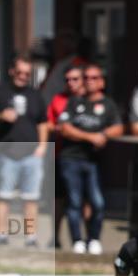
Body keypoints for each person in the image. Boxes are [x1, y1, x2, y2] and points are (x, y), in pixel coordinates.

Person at [58, 64, 124, 254]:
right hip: (71, 158)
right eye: (86, 78)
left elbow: (118, 127)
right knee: (74, 202)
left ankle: (94, 238)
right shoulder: (74, 102)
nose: (89, 81)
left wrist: (103, 134)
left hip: (94, 160)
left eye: (94, 78)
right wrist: (90, 137)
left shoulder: (108, 105)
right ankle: (77, 241)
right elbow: (64, 128)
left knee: (97, 202)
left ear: (102, 82)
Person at [0, 54, 49, 246]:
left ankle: (31, 237)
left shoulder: (35, 95)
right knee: (4, 196)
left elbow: (43, 123)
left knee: (31, 198)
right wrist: (1, 116)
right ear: (12, 71)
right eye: (20, 72)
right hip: (7, 152)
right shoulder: (0, 92)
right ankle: (2, 235)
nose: (23, 76)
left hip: (32, 154)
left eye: (27, 74)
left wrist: (42, 147)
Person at [47, 65, 85, 248]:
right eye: (68, 79)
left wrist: (72, 131)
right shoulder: (58, 100)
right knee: (59, 199)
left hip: (86, 157)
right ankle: (55, 237)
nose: (71, 83)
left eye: (75, 79)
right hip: (61, 155)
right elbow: (51, 125)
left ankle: (84, 240)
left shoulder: (90, 100)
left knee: (85, 200)